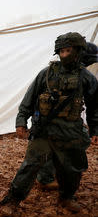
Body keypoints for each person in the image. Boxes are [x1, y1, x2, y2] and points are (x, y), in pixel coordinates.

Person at [1, 32, 98, 217]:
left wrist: (95, 129)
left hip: (71, 132)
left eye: (68, 50)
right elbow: (28, 100)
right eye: (61, 51)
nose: (64, 55)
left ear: (78, 52)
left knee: (72, 169)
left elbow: (95, 107)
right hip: (44, 131)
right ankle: (13, 200)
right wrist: (21, 121)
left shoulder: (86, 78)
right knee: (30, 166)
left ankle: (67, 197)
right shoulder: (46, 74)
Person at [35, 41, 98, 191]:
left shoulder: (83, 75)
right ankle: (46, 178)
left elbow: (93, 103)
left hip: (65, 123)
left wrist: (94, 129)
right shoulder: (53, 72)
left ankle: (57, 176)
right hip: (52, 122)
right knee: (53, 147)